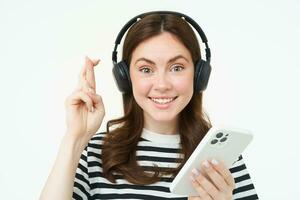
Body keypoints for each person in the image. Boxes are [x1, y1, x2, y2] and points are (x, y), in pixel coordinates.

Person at [40, 11, 259, 200]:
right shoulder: (96, 152)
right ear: (125, 77)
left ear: (199, 74)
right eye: (146, 69)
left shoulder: (220, 157)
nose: (162, 85)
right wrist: (75, 137)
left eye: (177, 68)